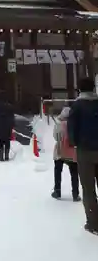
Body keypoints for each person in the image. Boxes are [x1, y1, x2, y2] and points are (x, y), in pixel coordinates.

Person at [68, 77, 98, 235]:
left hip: (85, 151)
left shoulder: (77, 106)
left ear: (79, 89)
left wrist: (75, 142)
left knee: (88, 188)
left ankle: (93, 223)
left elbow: (71, 130)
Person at [51, 106, 81, 202]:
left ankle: (57, 191)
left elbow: (55, 137)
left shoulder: (58, 124)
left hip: (60, 151)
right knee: (74, 173)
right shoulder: (75, 124)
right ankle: (75, 194)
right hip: (72, 153)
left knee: (57, 171)